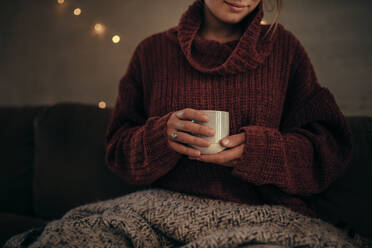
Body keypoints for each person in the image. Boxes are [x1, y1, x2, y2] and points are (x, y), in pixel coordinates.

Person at [104, 0, 353, 218]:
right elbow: (117, 152)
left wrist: (260, 152)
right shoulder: (151, 53)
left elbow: (329, 152)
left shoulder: (284, 49)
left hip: (260, 214)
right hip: (159, 210)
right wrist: (160, 138)